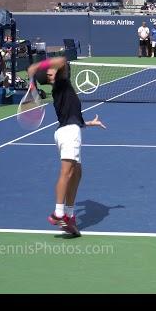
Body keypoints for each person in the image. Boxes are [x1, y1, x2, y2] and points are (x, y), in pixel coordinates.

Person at [27, 56, 106, 237]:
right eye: (51, 70)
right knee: (67, 173)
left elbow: (71, 117)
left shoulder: (61, 90)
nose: (54, 69)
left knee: (77, 173)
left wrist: (89, 123)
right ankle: (59, 213)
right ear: (50, 76)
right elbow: (62, 60)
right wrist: (36, 66)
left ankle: (69, 215)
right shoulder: (61, 82)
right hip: (69, 133)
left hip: (69, 130)